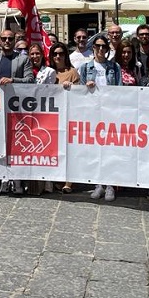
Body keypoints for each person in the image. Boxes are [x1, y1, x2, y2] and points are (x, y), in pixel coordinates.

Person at [0, 29, 35, 194]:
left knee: (17, 145)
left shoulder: (24, 59)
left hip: (17, 109)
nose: (7, 41)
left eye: (10, 38)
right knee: (0, 144)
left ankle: (17, 180)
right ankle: (3, 179)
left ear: (15, 40)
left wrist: (13, 80)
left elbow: (30, 80)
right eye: (4, 38)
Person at [78, 35, 121, 201]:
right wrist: (85, 87)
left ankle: (110, 185)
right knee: (95, 150)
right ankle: (98, 184)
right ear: (93, 47)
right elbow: (80, 92)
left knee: (110, 149)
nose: (101, 49)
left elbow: (120, 89)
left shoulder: (114, 67)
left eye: (104, 47)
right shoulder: (85, 67)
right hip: (92, 114)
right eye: (98, 46)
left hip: (110, 113)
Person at [49, 42, 80, 194]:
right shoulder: (48, 72)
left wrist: (72, 88)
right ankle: (57, 179)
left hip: (68, 115)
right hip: (52, 116)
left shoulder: (72, 72)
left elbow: (80, 94)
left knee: (68, 149)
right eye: (54, 54)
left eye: (61, 53)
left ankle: (69, 181)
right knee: (55, 149)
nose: (57, 56)